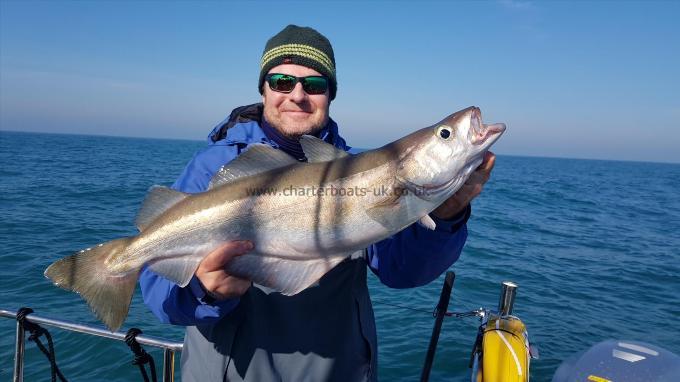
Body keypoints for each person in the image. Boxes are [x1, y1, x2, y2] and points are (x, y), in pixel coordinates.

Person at [139, 25, 496, 382]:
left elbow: (402, 270)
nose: (296, 95)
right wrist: (204, 291)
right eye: (281, 81)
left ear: (330, 94)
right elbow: (160, 295)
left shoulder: (360, 169)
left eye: (313, 85)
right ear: (263, 89)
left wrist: (447, 213)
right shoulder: (211, 167)